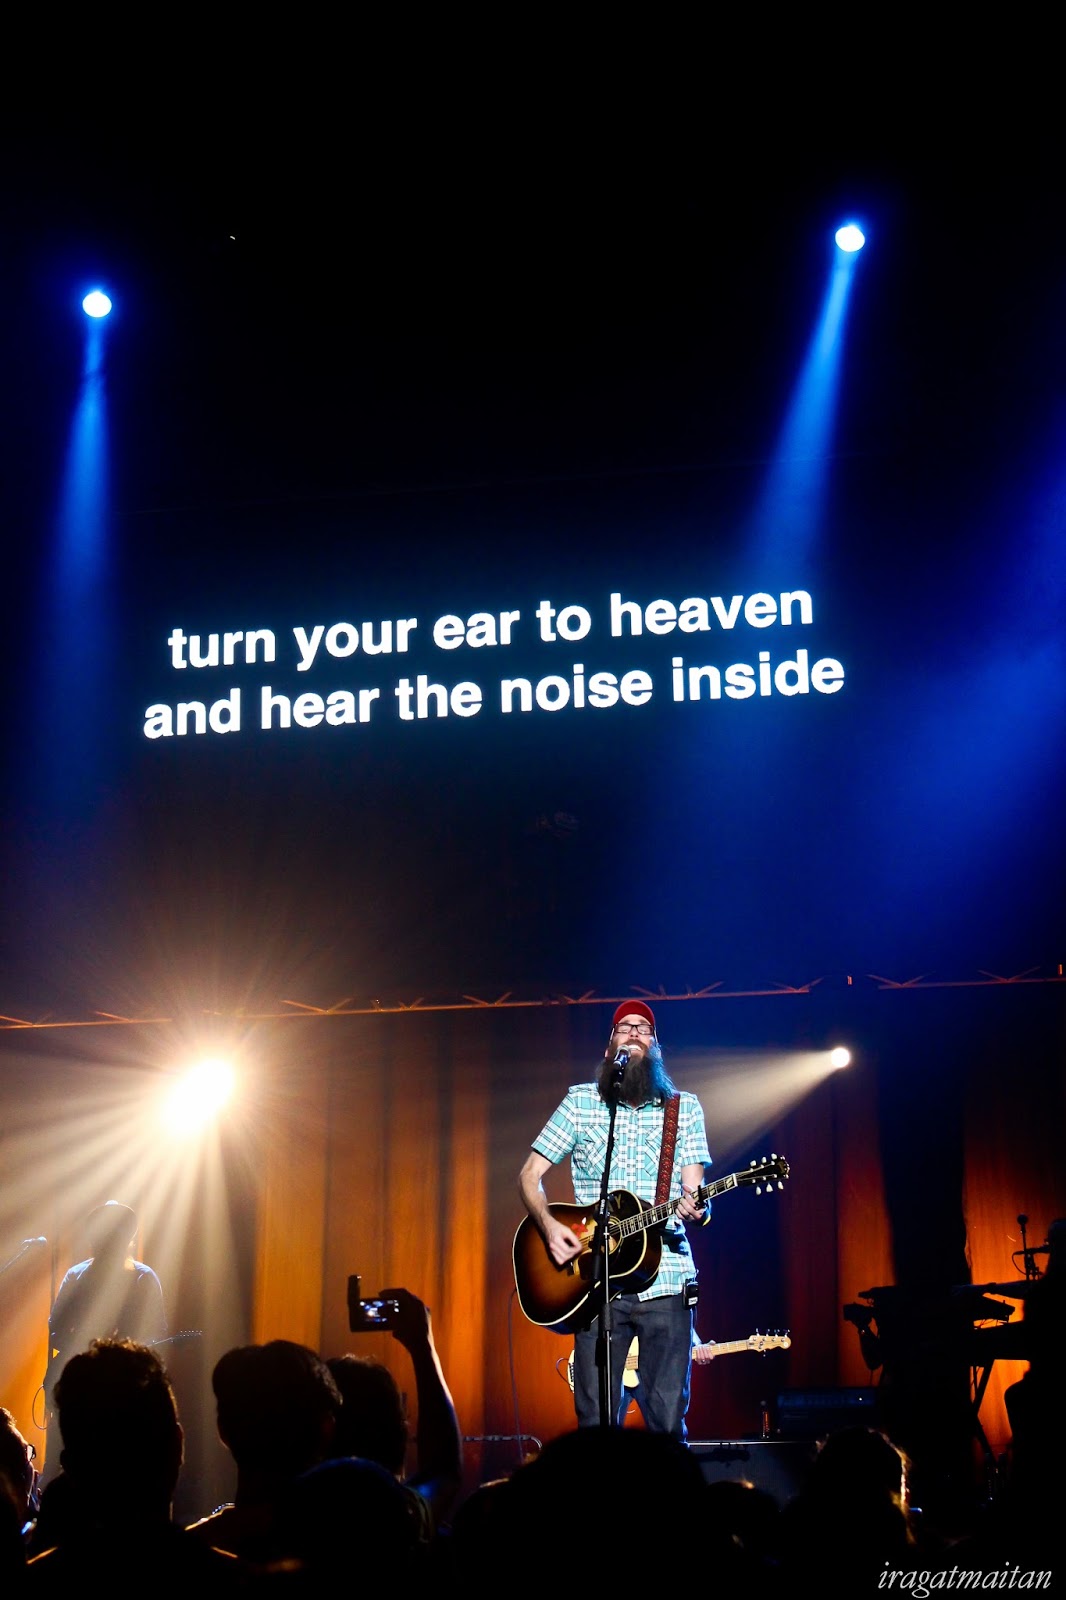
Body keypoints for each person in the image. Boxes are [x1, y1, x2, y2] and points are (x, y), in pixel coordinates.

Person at [518, 1000, 711, 1438]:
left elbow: (694, 1191)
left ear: (656, 1046)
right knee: (596, 1426)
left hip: (667, 1279)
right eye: (625, 1027)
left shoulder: (683, 1108)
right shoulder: (581, 1102)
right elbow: (529, 1175)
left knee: (666, 1424)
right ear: (610, 1047)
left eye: (644, 1028)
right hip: (596, 1282)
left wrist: (697, 1206)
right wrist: (549, 1227)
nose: (635, 1032)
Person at [42, 1200, 166, 1485]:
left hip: (121, 1390)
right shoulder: (79, 1275)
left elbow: (155, 1335)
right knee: (61, 1459)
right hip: (84, 1385)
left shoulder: (142, 1278)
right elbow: (56, 1330)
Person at [326, 1285, 462, 1544]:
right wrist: (423, 1348)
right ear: (399, 1431)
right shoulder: (397, 1516)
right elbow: (442, 1470)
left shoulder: (286, 1514)